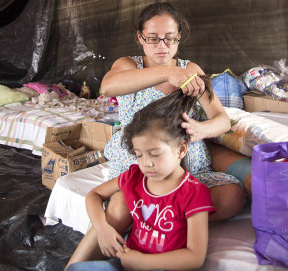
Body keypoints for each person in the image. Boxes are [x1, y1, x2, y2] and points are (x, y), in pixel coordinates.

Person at [66, 75, 217, 270]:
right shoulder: (136, 176)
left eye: (155, 154)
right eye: (138, 155)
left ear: (180, 149)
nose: (146, 164)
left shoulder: (194, 193)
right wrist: (102, 229)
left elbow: (195, 257)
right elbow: (94, 195)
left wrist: (141, 262)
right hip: (125, 262)